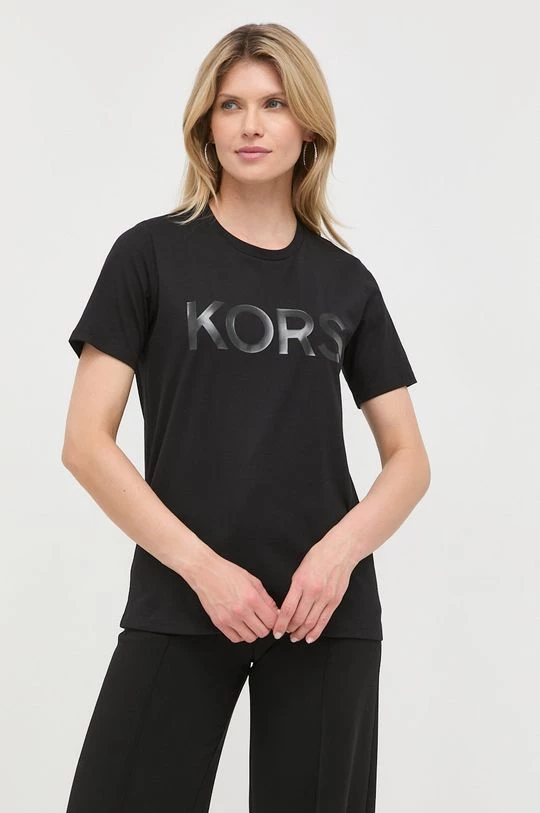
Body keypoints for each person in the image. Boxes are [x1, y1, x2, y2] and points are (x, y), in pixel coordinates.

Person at [61, 22, 430, 813]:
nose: (251, 124)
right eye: (231, 105)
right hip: (183, 595)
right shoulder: (149, 255)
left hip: (321, 611)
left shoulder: (346, 282)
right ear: (207, 123)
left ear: (309, 127)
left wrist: (337, 557)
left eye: (274, 103)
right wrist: (204, 570)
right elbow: (86, 443)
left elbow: (408, 458)